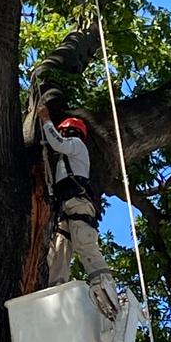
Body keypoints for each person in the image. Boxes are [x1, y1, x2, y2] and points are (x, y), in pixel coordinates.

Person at [37, 103, 119, 320]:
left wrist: (46, 119)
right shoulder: (64, 161)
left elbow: (57, 142)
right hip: (65, 208)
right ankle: (55, 295)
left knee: (84, 244)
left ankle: (106, 288)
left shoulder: (75, 145)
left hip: (78, 204)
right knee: (59, 252)